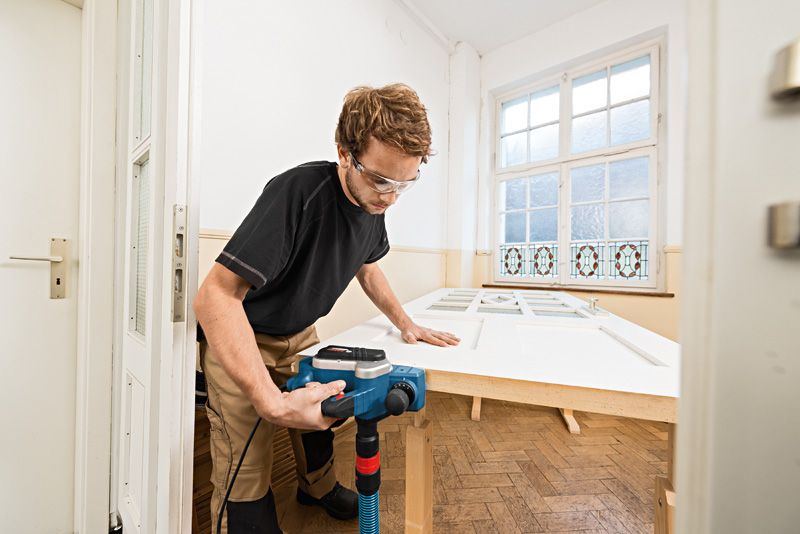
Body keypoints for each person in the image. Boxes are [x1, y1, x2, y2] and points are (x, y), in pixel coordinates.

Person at [194, 83, 461, 533]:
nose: (390, 196)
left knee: (324, 419)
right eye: (380, 179)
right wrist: (272, 404)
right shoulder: (297, 192)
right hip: (246, 336)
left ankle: (315, 489)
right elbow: (215, 297)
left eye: (403, 183)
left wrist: (406, 323)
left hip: (301, 334)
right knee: (248, 464)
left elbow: (368, 268)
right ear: (344, 153)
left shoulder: (374, 204)